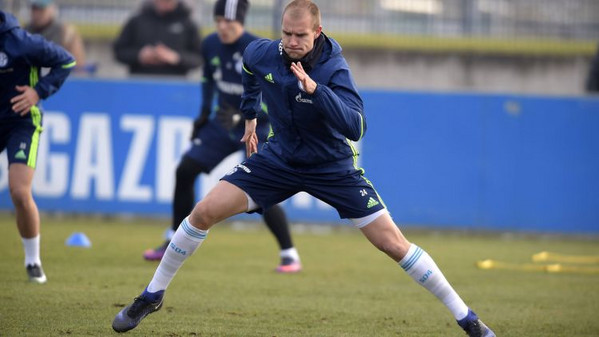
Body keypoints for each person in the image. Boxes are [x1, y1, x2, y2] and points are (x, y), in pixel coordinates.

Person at [112, 1, 496, 336]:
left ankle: (467, 319)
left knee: (393, 244)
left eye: (300, 35)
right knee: (203, 212)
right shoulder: (265, 52)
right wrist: (249, 116)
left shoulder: (334, 68)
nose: (292, 42)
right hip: (279, 159)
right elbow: (249, 70)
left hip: (332, 167)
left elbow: (356, 126)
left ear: (318, 33)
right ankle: (152, 295)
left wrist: (317, 91)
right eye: (287, 34)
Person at [142, 0, 302, 273]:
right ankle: (173, 238)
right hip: (224, 121)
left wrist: (257, 115)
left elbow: (277, 92)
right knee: (185, 170)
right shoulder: (210, 44)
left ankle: (289, 254)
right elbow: (207, 79)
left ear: (241, 21)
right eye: (218, 21)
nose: (223, 27)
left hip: (256, 125)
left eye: (229, 22)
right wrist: (204, 114)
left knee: (262, 186)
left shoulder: (260, 49)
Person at [0, 10, 75, 283]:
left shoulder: (21, 42)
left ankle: (33, 260)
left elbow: (66, 61)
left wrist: (38, 91)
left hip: (21, 121)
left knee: (19, 192)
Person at [113, 0, 202, 76]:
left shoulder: (188, 24)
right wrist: (140, 55)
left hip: (175, 85)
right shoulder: (136, 21)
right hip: (140, 82)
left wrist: (176, 58)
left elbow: (199, 57)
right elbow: (119, 51)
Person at [24, 0, 87, 73]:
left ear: (51, 9)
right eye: (34, 9)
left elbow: (78, 67)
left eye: (41, 9)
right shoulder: (23, 33)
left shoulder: (66, 33)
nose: (37, 13)